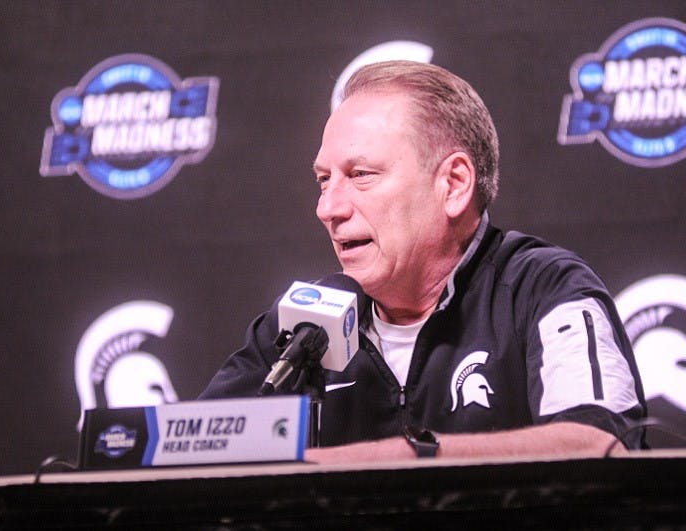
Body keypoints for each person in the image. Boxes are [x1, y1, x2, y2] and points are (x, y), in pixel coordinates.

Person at [200, 60, 647, 463]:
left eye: (360, 175)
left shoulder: (540, 288)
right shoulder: (301, 326)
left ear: (453, 184)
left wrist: (398, 460)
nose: (328, 208)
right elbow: (185, 456)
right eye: (323, 180)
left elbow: (600, 444)